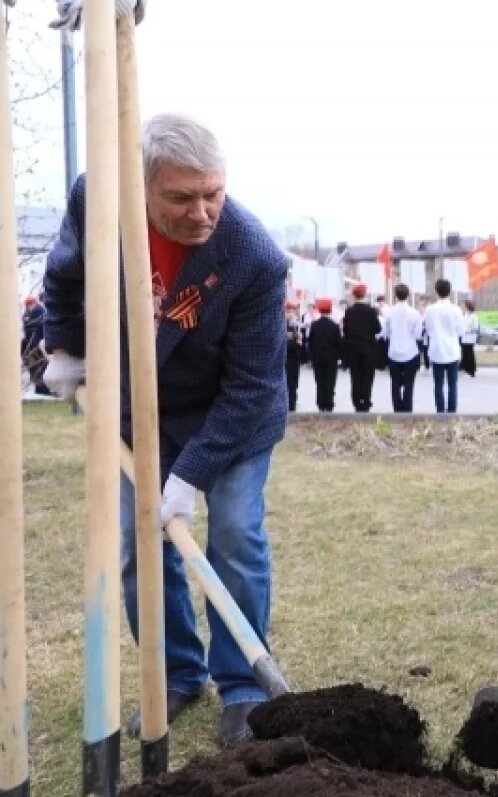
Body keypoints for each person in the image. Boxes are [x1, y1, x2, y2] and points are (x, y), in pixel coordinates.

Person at [41, 113, 289, 747]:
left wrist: (188, 474)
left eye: (214, 193)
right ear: (142, 185)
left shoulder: (253, 257)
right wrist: (65, 348)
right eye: (181, 197)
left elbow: (252, 388)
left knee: (233, 534)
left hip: (231, 415)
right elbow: (67, 274)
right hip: (137, 405)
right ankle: (177, 672)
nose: (202, 213)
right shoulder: (97, 198)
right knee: (133, 546)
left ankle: (242, 684)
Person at [423, 278, 465, 413]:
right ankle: (452, 411)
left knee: (438, 384)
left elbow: (428, 329)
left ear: (436, 291)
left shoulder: (430, 309)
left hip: (436, 350)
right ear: (450, 291)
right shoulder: (456, 310)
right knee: (453, 384)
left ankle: (440, 411)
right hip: (452, 350)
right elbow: (461, 331)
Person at [380, 283, 423, 412]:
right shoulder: (415, 313)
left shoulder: (389, 313)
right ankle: (407, 409)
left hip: (394, 353)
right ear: (408, 295)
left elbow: (385, 333)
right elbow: (418, 335)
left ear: (395, 296)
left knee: (395, 383)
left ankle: (397, 409)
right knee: (409, 383)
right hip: (410, 352)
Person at [341, 282, 381, 412]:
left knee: (355, 375)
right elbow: (378, 329)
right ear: (365, 294)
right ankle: (366, 400)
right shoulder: (371, 311)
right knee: (368, 376)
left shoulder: (349, 311)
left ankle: (356, 400)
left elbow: (346, 331)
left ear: (354, 295)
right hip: (368, 348)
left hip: (353, 348)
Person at [307, 298, 341, 412]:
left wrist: (311, 357)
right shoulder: (334, 326)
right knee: (330, 382)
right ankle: (329, 403)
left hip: (318, 358)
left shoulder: (314, 325)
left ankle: (320, 403)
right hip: (331, 358)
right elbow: (338, 343)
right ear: (330, 310)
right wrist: (339, 356)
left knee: (320, 381)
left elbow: (310, 342)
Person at [284, 300, 304, 411]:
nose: (291, 313)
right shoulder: (281, 325)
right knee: (287, 383)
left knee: (293, 384)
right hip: (285, 358)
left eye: (293, 310)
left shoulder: (297, 325)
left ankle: (292, 405)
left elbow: (300, 342)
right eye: (288, 310)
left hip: (294, 358)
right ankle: (288, 405)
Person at [460, 298, 479, 378]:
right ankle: (465, 369)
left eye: (463, 305)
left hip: (470, 338)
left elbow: (475, 328)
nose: (462, 307)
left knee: (469, 354)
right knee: (464, 354)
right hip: (464, 338)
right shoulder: (464, 315)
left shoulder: (473, 316)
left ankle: (471, 371)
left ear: (467, 306)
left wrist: (467, 330)